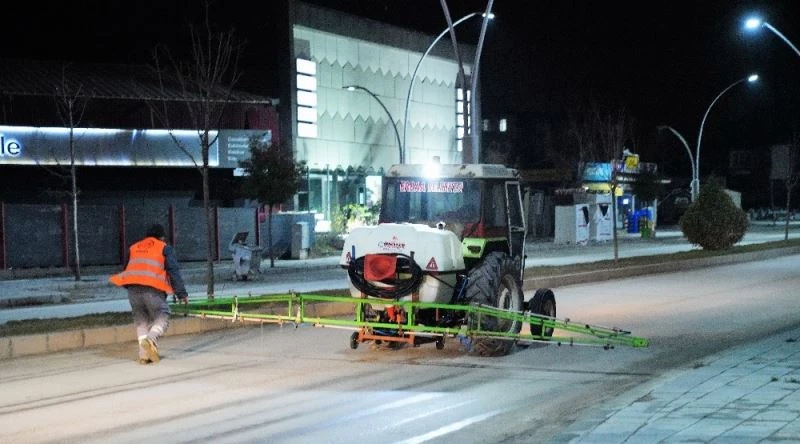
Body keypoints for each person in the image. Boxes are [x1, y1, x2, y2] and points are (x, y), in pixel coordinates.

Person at [109, 224, 188, 365]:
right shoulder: (164, 248)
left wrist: (130, 287)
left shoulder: (134, 247)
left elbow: (127, 268)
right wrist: (181, 294)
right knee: (162, 315)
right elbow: (173, 271)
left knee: (141, 321)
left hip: (133, 289)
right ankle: (151, 339)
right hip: (153, 289)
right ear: (162, 237)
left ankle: (144, 355)